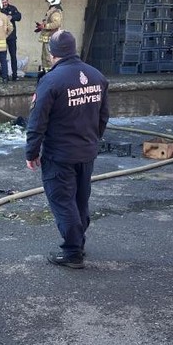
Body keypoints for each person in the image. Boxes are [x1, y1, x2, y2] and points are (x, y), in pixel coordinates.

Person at [25, 29, 108, 269]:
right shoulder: (97, 77)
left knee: (63, 201)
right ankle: (78, 242)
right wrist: (92, 140)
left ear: (53, 53)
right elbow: (103, 116)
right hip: (86, 152)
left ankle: (72, 252)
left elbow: (37, 121)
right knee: (80, 200)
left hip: (59, 155)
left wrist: (31, 152)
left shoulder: (50, 81)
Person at [35, 0, 64, 72]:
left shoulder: (55, 12)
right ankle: (46, 74)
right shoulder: (51, 11)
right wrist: (41, 27)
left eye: (48, 2)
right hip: (48, 39)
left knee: (49, 58)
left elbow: (56, 24)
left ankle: (51, 74)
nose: (47, 4)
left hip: (51, 39)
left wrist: (44, 26)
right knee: (45, 57)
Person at [0, 0, 22, 81]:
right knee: (3, 57)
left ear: (8, 1)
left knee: (13, 56)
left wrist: (12, 16)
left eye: (5, 2)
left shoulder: (12, 8)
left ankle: (15, 75)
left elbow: (19, 16)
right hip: (2, 36)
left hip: (12, 36)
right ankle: (4, 76)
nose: (4, 4)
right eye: (3, 3)